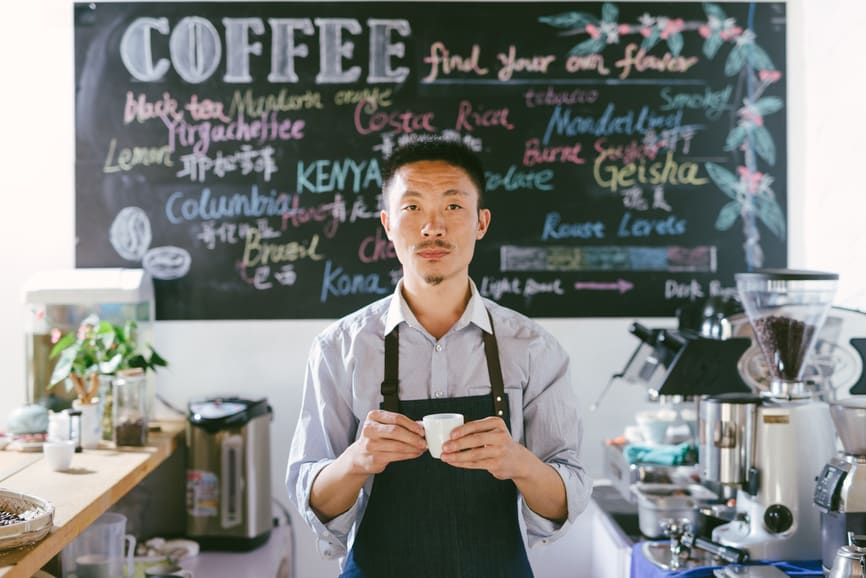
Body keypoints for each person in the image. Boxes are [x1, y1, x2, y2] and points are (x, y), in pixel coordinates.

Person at [287, 138, 591, 577]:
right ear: (388, 224)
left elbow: (567, 496)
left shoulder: (533, 347)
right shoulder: (340, 348)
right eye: (412, 208)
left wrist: (518, 462)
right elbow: (313, 497)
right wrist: (357, 460)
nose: (432, 228)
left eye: (452, 207)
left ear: (481, 222)